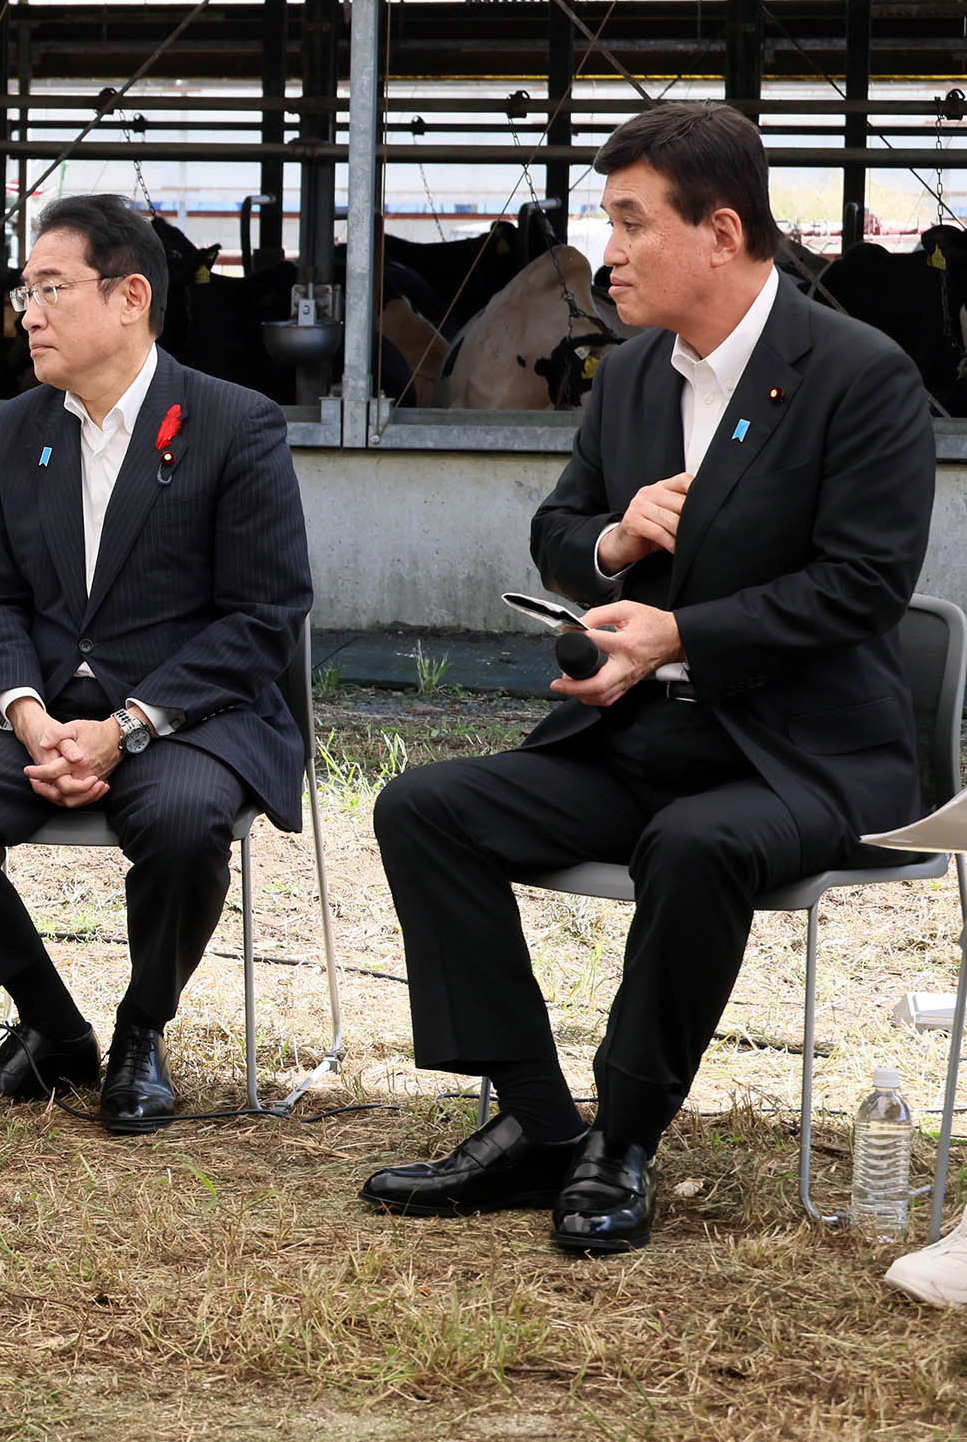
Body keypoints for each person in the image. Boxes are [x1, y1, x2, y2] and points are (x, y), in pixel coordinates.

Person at [362, 101, 935, 1256]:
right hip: (642, 739)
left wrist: (674, 632)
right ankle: (534, 1123)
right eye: (604, 220)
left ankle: (621, 1142)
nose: (603, 253)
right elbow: (556, 529)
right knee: (423, 806)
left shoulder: (858, 373)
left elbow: (861, 587)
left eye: (628, 223)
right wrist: (613, 544)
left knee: (696, 843)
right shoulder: (626, 378)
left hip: (806, 751)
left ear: (719, 232)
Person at [0, 195, 313, 1132]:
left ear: (129, 297)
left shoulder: (235, 424)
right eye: (22, 290)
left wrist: (127, 728)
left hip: (190, 713)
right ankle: (52, 1028)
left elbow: (264, 616)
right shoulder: (13, 433)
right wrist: (31, 719)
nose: (26, 312)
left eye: (50, 288)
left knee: (184, 815)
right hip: (49, 711)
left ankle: (140, 1030)